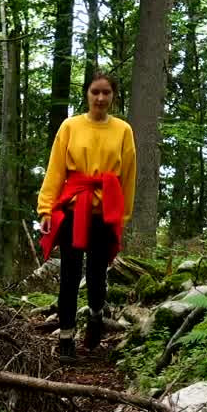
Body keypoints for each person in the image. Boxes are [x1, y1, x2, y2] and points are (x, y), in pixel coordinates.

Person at [37, 72, 136, 361]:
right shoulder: (70, 126)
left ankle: (95, 317)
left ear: (113, 95)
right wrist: (46, 209)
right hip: (72, 209)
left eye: (106, 92)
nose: (101, 98)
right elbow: (55, 170)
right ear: (87, 94)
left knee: (96, 275)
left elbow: (128, 177)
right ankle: (66, 337)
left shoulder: (123, 130)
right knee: (69, 274)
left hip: (104, 213)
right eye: (95, 92)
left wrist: (123, 218)